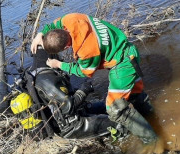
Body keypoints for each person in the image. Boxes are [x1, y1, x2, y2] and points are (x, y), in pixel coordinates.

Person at [30, 13, 157, 144]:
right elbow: (52, 25)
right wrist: (40, 34)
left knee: (115, 110)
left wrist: (60, 65)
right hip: (129, 53)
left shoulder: (86, 50)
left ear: (66, 47)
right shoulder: (72, 19)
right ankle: (154, 121)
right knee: (135, 95)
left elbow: (85, 71)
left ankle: (153, 142)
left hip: (122, 65)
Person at [11, 45, 125, 140]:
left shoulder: (34, 74)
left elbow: (62, 97)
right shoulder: (46, 79)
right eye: (56, 54)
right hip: (71, 126)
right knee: (120, 122)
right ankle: (122, 145)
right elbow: (68, 107)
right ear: (50, 57)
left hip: (75, 114)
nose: (59, 57)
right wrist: (84, 89)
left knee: (109, 106)